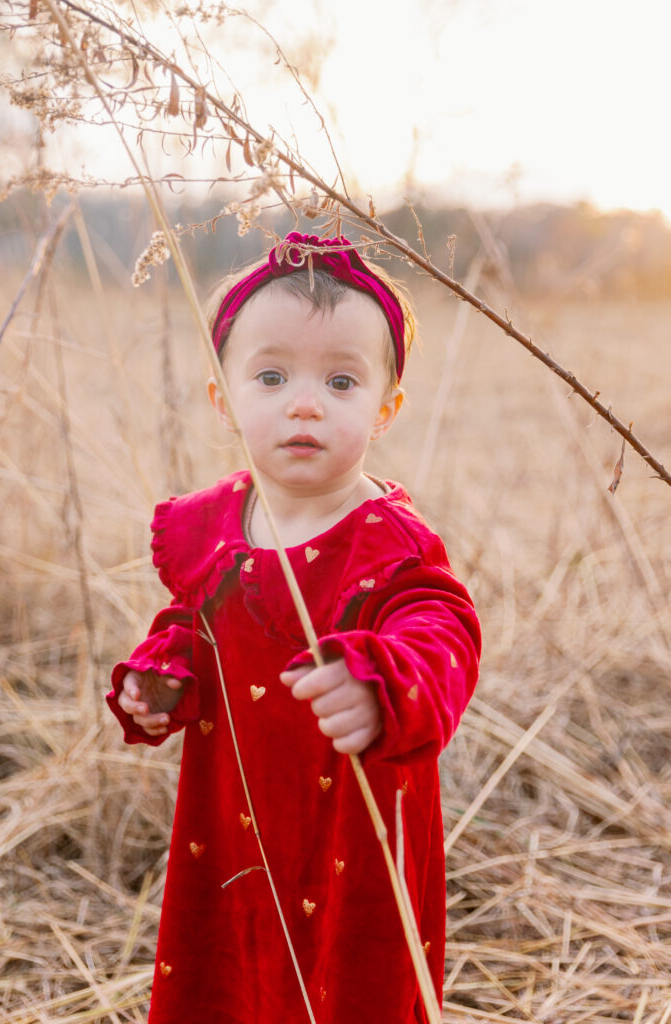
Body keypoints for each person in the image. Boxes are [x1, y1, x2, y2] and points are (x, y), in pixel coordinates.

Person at [107, 232, 481, 1024]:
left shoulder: (388, 539)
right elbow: (192, 623)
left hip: (353, 836)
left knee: (350, 989)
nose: (303, 402)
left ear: (384, 410)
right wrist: (161, 677)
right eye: (271, 377)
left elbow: (443, 632)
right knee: (226, 973)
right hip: (230, 826)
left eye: (340, 381)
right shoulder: (215, 523)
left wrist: (384, 682)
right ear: (222, 397)